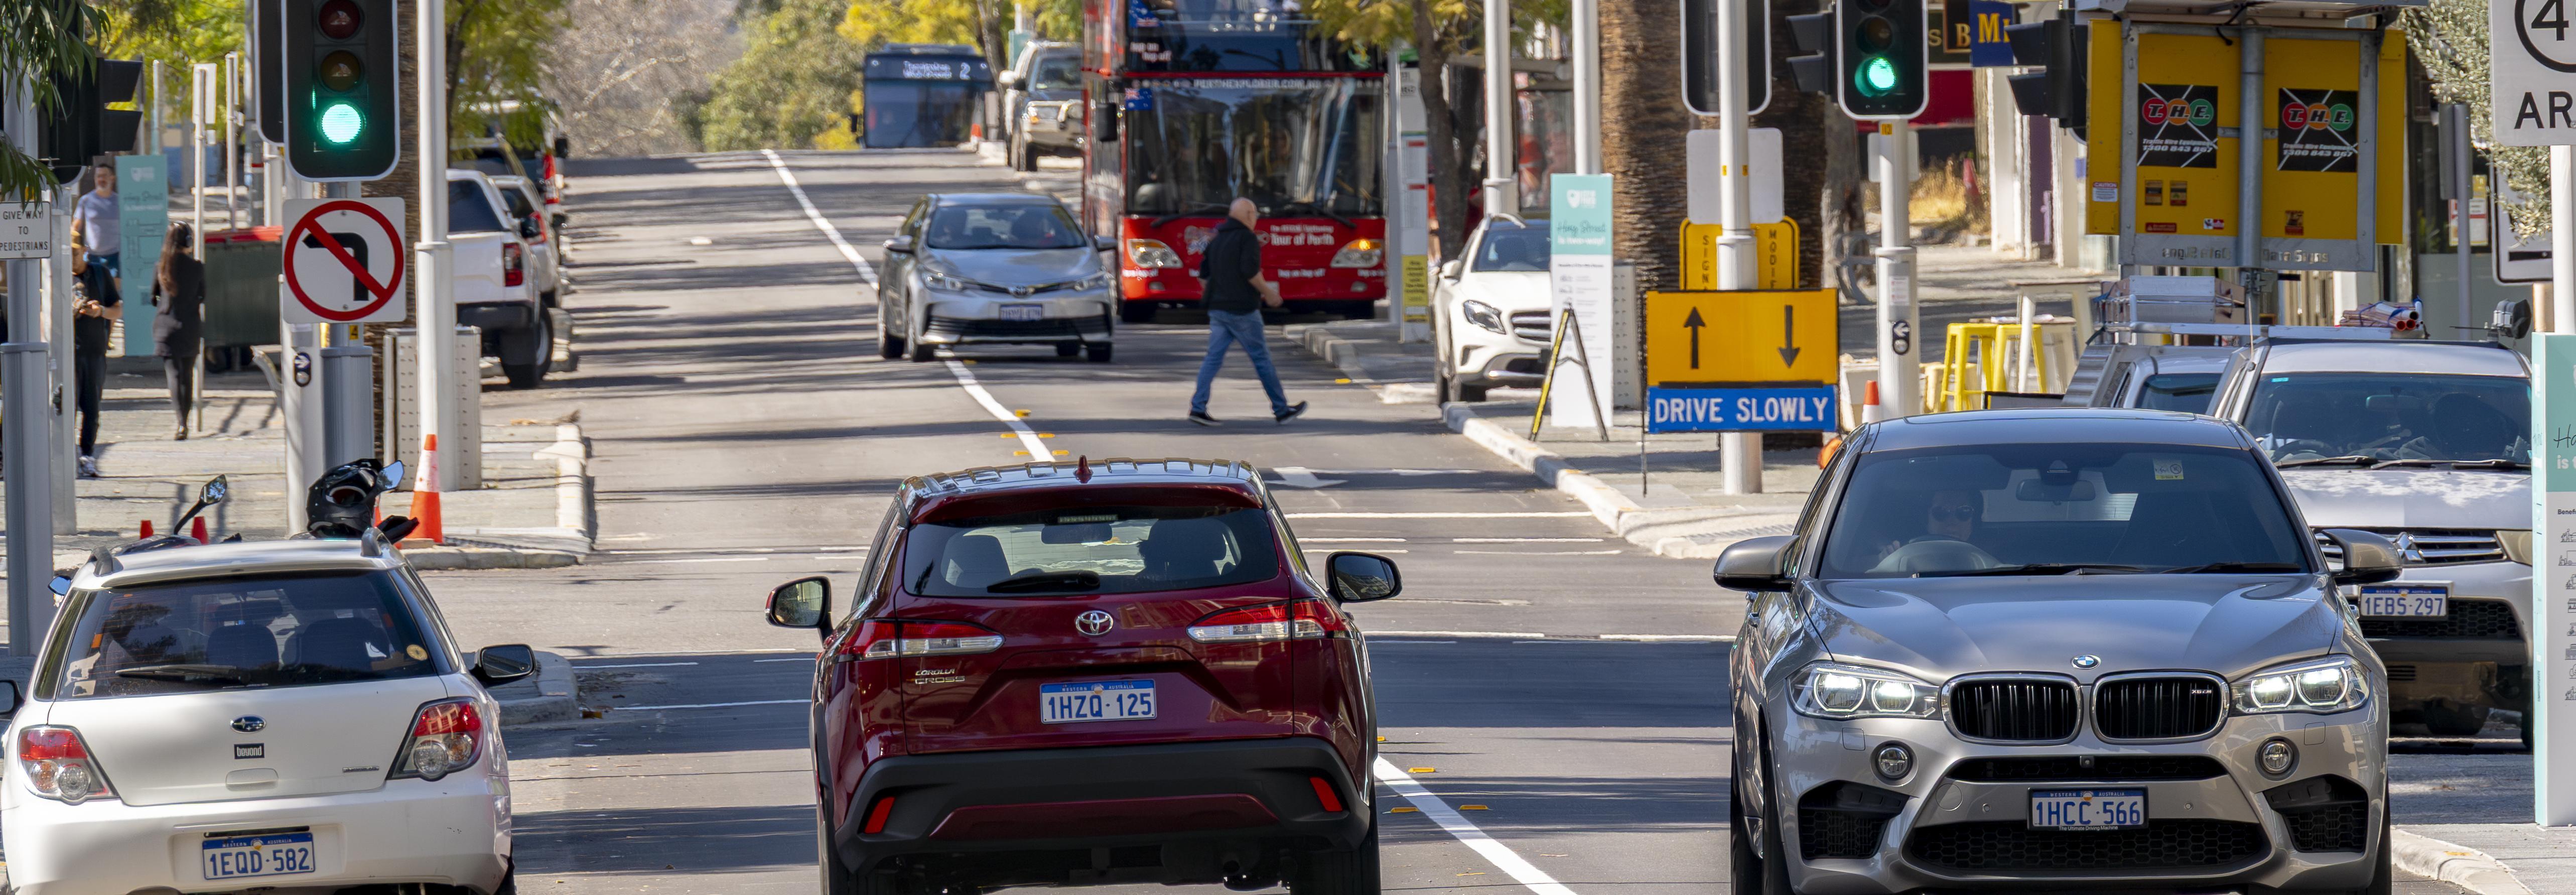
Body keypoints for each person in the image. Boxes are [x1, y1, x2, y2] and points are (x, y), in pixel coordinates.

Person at [1187, 198, 1305, 426]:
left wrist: (1217, 292)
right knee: (1261, 359)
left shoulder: (1217, 239)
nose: (1257, 218)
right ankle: (1282, 410)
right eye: (1255, 213)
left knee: (1212, 360)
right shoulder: (1248, 239)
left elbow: (1203, 276)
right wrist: (1269, 294)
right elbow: (1251, 272)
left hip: (1218, 309)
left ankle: (1198, 408)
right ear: (1248, 215)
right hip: (1243, 310)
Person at [70, 233, 119, 478]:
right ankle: (63, 456)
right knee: (64, 409)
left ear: (85, 251)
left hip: (94, 353)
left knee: (92, 409)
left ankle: (87, 456)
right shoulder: (54, 275)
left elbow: (118, 309)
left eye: (75, 253)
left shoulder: (100, 274)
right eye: (66, 253)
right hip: (65, 354)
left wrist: (101, 311)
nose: (71, 259)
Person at [152, 222, 205, 440]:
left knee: (173, 375)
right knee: (187, 376)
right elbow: (204, 295)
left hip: (166, 328)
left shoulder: (161, 267)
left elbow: (152, 297)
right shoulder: (197, 267)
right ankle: (187, 421)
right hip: (190, 327)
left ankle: (180, 423)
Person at [71, 158, 120, 282]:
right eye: (98, 176)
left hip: (115, 257)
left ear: (112, 179)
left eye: (105, 176)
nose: (101, 180)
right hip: (92, 257)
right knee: (94, 292)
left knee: (114, 294)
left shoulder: (120, 202)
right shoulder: (86, 201)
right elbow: (75, 227)